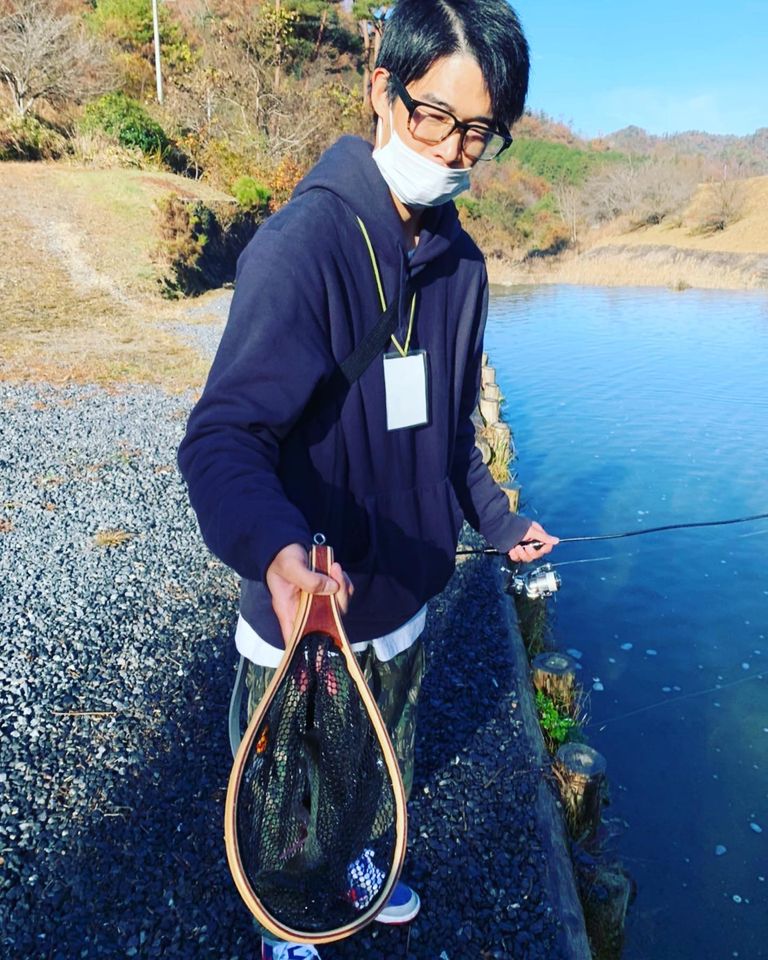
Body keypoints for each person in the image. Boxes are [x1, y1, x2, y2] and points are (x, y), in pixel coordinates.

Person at [178, 1, 557, 956]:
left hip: (405, 597)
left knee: (377, 765)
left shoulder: (462, 265)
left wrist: (500, 523)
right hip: (311, 605)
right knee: (287, 795)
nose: (456, 148)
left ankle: (361, 866)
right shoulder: (303, 246)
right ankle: (282, 923)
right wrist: (274, 552)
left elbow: (451, 435)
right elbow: (223, 437)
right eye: (437, 116)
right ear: (381, 89)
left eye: (481, 131)